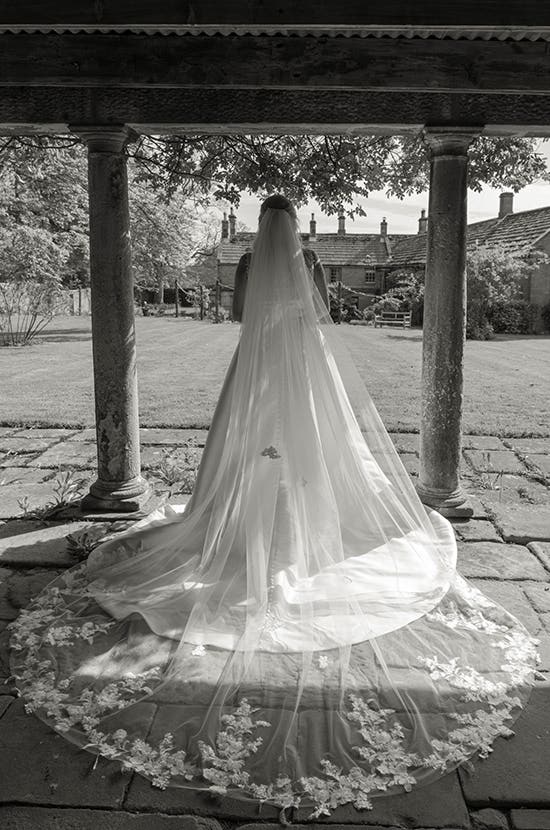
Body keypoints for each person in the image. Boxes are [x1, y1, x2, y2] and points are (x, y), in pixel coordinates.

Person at [10, 195, 538, 817]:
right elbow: (321, 314)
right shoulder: (312, 260)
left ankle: (241, 516)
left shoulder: (244, 262)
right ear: (298, 228)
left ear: (263, 226)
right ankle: (311, 522)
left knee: (249, 450)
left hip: (258, 366)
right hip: (307, 366)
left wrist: (262, 306)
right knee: (318, 448)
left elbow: (239, 315)